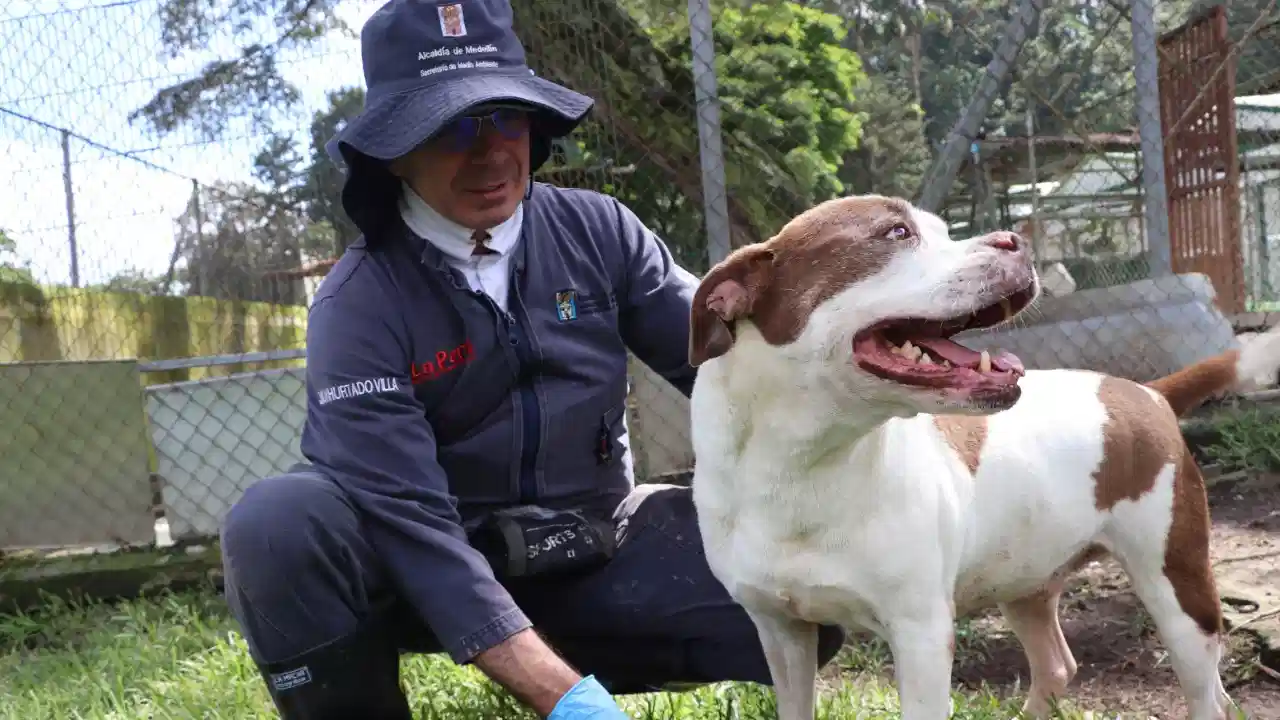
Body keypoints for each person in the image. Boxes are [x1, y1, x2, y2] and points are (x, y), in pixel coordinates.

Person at [217, 0, 845, 718]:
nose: (487, 152)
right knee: (279, 523)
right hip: (422, 572)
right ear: (395, 149)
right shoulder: (357, 304)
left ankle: (563, 651)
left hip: (587, 547)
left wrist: (868, 390)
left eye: (503, 117)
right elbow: (412, 527)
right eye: (451, 127)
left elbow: (735, 368)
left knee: (802, 583)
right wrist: (571, 704)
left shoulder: (601, 230)